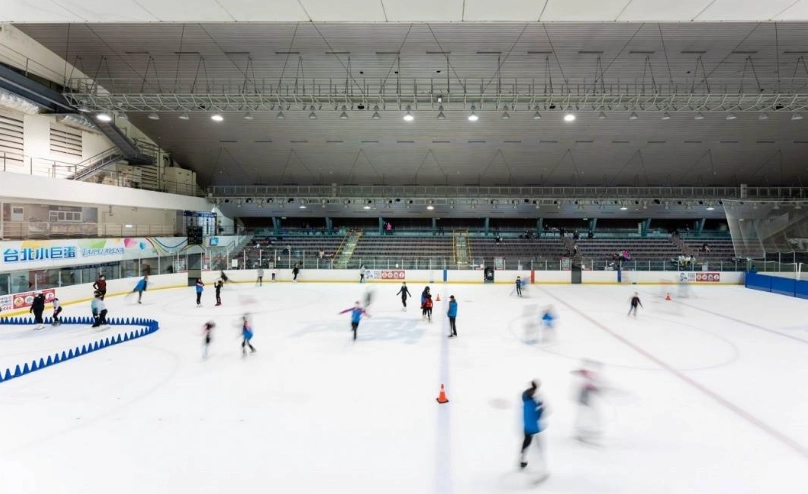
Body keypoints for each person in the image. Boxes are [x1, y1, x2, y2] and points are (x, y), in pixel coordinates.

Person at [520, 380, 548, 479]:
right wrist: (542, 410)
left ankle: (522, 461)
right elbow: (537, 416)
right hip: (533, 429)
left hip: (526, 427)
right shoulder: (532, 403)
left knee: (526, 443)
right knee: (537, 447)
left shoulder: (526, 400)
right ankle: (540, 469)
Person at [571, 361, 602, 443]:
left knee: (587, 414)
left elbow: (591, 386)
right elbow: (589, 386)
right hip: (584, 401)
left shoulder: (585, 378)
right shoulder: (583, 380)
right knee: (586, 415)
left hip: (585, 401)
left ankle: (583, 430)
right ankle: (582, 431)